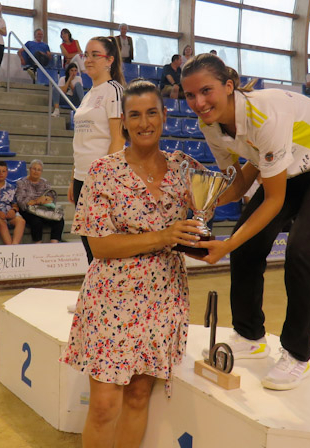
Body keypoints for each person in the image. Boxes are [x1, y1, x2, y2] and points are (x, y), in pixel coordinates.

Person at [181, 54, 310, 390]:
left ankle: (297, 355)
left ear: (229, 86)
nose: (199, 103)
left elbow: (274, 198)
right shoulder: (210, 125)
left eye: (206, 91)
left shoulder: (262, 114)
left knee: (302, 252)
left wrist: (227, 244)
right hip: (287, 168)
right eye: (190, 95)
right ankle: (250, 336)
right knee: (247, 247)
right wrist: (204, 203)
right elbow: (236, 184)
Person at [61, 79, 205, 448]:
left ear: (164, 116)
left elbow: (222, 192)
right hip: (111, 298)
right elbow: (100, 245)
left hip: (163, 297)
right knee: (106, 405)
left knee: (139, 396)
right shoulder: (102, 172)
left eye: (152, 113)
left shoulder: (184, 167)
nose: (144, 122)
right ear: (123, 121)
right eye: (135, 115)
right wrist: (164, 236)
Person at [69, 36, 126, 264]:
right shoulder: (88, 94)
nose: (88, 59)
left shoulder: (114, 90)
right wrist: (73, 177)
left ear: (109, 60)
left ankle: (106, 295)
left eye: (95, 54)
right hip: (81, 177)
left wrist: (104, 180)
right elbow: (80, 139)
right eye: (86, 54)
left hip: (100, 179)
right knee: (87, 243)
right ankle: (95, 294)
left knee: (100, 246)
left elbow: (118, 139)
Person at [15, 160, 64, 244]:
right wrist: (37, 201)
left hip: (43, 209)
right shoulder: (21, 183)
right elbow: (21, 201)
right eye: (34, 169)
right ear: (30, 169)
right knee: (36, 221)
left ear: (41, 172)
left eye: (39, 170)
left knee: (59, 220)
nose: (36, 171)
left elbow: (51, 198)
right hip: (28, 210)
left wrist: (43, 200)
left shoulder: (45, 182)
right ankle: (38, 244)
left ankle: (54, 244)